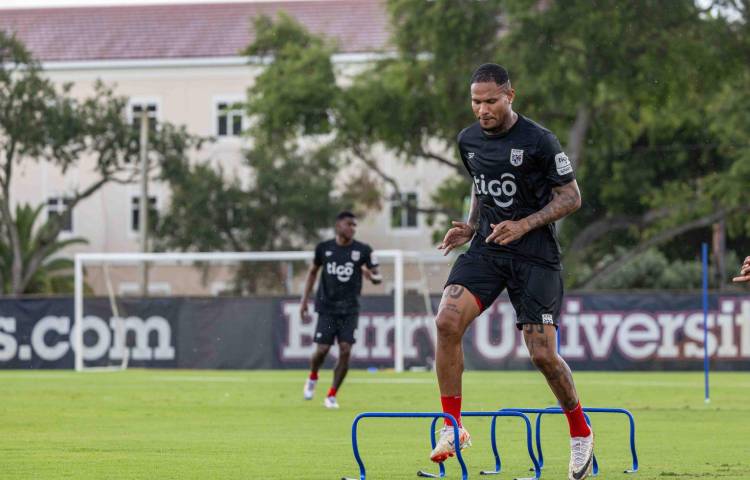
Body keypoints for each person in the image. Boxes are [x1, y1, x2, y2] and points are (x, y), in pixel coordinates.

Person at [431, 63, 593, 480]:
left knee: (542, 354)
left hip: (534, 254)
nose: (481, 109)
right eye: (475, 101)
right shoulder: (468, 140)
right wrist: (470, 226)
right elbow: (480, 185)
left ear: (510, 96)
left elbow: (571, 197)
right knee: (446, 321)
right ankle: (453, 427)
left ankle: (580, 432)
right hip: (488, 247)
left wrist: (523, 224)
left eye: (490, 101)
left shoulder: (540, 141)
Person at [299, 211, 381, 408]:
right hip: (327, 307)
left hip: (350, 309)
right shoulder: (324, 248)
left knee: (345, 350)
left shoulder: (363, 250)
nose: (352, 228)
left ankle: (331, 395)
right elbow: (312, 273)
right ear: (338, 226)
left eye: (354, 225)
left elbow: (378, 277)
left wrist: (373, 277)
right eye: (349, 224)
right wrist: (304, 301)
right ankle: (313, 376)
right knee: (322, 350)